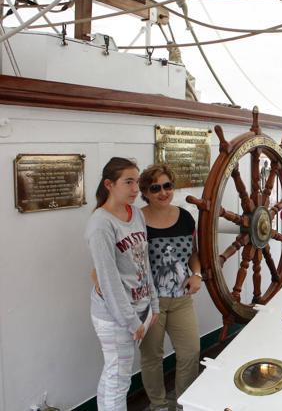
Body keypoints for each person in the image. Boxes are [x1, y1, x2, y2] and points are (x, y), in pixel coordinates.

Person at [85, 157, 159, 411]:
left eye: (137, 182)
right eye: (128, 182)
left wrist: (154, 304)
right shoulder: (101, 223)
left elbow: (144, 262)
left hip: (138, 309)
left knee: (115, 374)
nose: (136, 189)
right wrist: (131, 321)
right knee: (118, 379)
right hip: (115, 315)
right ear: (109, 184)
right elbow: (107, 279)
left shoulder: (135, 213)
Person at [138, 164, 202, 411]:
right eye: (155, 188)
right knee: (152, 357)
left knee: (190, 351)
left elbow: (193, 253)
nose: (163, 192)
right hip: (149, 303)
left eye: (167, 186)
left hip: (181, 299)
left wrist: (196, 274)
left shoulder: (185, 217)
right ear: (145, 191)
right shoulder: (136, 221)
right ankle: (159, 405)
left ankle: (184, 403)